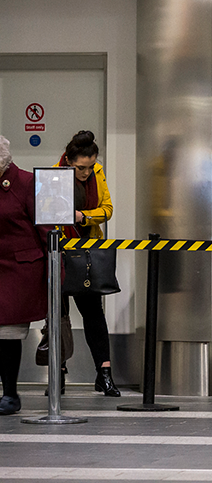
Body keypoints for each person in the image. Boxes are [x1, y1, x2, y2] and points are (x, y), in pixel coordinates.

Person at [55, 130, 119, 396]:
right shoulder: (54, 177)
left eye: (91, 166)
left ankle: (104, 374)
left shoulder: (98, 173)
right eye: (81, 167)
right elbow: (47, 212)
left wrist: (84, 216)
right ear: (69, 161)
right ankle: (57, 372)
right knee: (58, 316)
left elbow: (107, 209)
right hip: (58, 250)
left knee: (93, 312)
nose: (86, 172)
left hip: (88, 250)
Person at [0, 135, 50, 415]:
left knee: (6, 332)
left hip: (18, 270)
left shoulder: (26, 183)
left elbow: (46, 229)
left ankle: (10, 394)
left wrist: (56, 270)